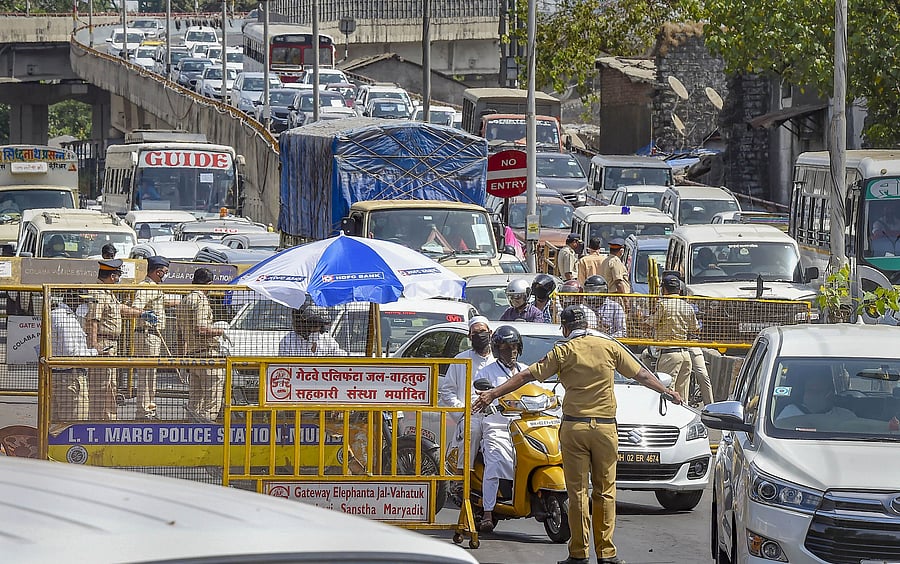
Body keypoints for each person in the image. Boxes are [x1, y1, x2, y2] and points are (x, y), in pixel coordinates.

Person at [473, 306, 681, 564]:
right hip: (605, 428)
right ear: (588, 324)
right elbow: (640, 374)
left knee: (578, 493)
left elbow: (527, 375)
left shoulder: (563, 350)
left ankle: (579, 553)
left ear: (565, 328)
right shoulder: (609, 347)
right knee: (605, 492)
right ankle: (607, 553)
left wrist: (493, 393)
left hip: (575, 427)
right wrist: (666, 391)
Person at [472, 325, 527, 532]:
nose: (510, 351)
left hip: (523, 426)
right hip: (497, 426)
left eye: (514, 347)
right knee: (494, 460)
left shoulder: (525, 370)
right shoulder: (486, 372)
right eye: (505, 347)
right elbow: (477, 397)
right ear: (496, 349)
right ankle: (487, 511)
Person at [84, 259, 147, 421]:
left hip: (111, 344)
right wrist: (94, 345)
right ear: (112, 276)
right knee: (101, 386)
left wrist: (140, 313)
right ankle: (99, 422)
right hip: (103, 343)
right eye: (118, 276)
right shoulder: (99, 293)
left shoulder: (107, 293)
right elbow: (93, 320)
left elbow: (119, 308)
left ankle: (109, 420)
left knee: (110, 386)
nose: (118, 279)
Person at [176, 267, 227, 422]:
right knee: (212, 400)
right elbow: (201, 328)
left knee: (194, 402)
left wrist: (182, 357)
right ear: (209, 284)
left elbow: (179, 334)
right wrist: (221, 331)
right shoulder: (201, 300)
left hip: (192, 356)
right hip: (207, 355)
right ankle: (206, 431)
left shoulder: (185, 300)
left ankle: (191, 432)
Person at [130, 256, 173, 420]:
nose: (166, 275)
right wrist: (145, 315)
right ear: (158, 271)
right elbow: (137, 306)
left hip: (153, 336)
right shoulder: (146, 287)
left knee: (150, 375)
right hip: (147, 334)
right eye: (165, 272)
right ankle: (144, 412)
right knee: (146, 375)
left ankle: (148, 409)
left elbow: (165, 302)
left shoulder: (155, 287)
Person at [646, 274, 699, 400]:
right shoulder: (687, 306)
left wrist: (638, 320)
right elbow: (695, 329)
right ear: (679, 290)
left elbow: (649, 324)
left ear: (663, 289)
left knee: (666, 393)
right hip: (685, 354)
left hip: (669, 354)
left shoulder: (663, 304)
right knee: (683, 398)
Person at [50, 290, 99, 421]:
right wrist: (96, 352)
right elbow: (71, 353)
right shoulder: (66, 319)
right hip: (70, 377)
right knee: (74, 424)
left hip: (58, 376)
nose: (86, 306)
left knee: (55, 424)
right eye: (84, 302)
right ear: (74, 300)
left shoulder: (56, 315)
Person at [776, 371, 856, 422]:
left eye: (817, 391)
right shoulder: (790, 412)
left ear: (829, 394)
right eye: (810, 390)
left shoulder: (845, 416)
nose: (812, 395)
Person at [278, 306, 347, 356]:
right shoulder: (288, 341)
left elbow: (340, 354)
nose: (316, 329)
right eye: (312, 326)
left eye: (318, 326)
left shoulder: (327, 339)